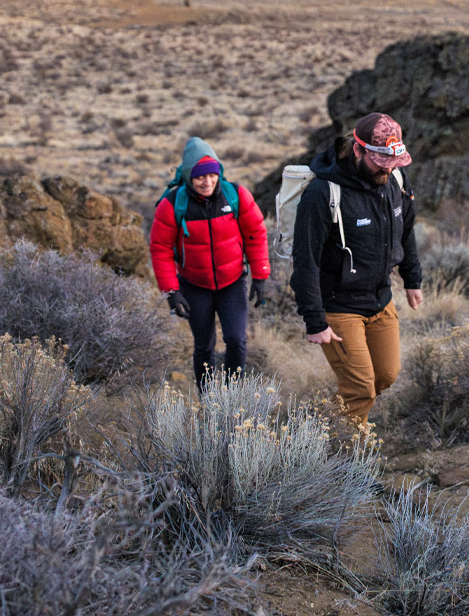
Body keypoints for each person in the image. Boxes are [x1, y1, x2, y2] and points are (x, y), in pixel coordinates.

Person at [290, 113, 424, 424]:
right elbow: (305, 258)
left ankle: (323, 424)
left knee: (386, 376)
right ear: (358, 150)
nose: (388, 168)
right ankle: (348, 460)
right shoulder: (323, 193)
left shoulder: (397, 181)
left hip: (380, 299)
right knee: (361, 389)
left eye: (393, 160)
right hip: (338, 306)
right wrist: (314, 319)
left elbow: (406, 229)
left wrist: (412, 278)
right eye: (380, 160)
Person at [149, 137, 270, 389]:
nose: (207, 181)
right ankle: (208, 400)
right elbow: (160, 249)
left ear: (219, 173)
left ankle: (232, 396)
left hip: (232, 282)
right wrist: (172, 291)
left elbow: (256, 234)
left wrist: (260, 276)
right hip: (194, 285)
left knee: (236, 340)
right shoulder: (172, 205)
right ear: (188, 178)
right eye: (200, 177)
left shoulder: (235, 196)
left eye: (212, 175)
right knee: (204, 346)